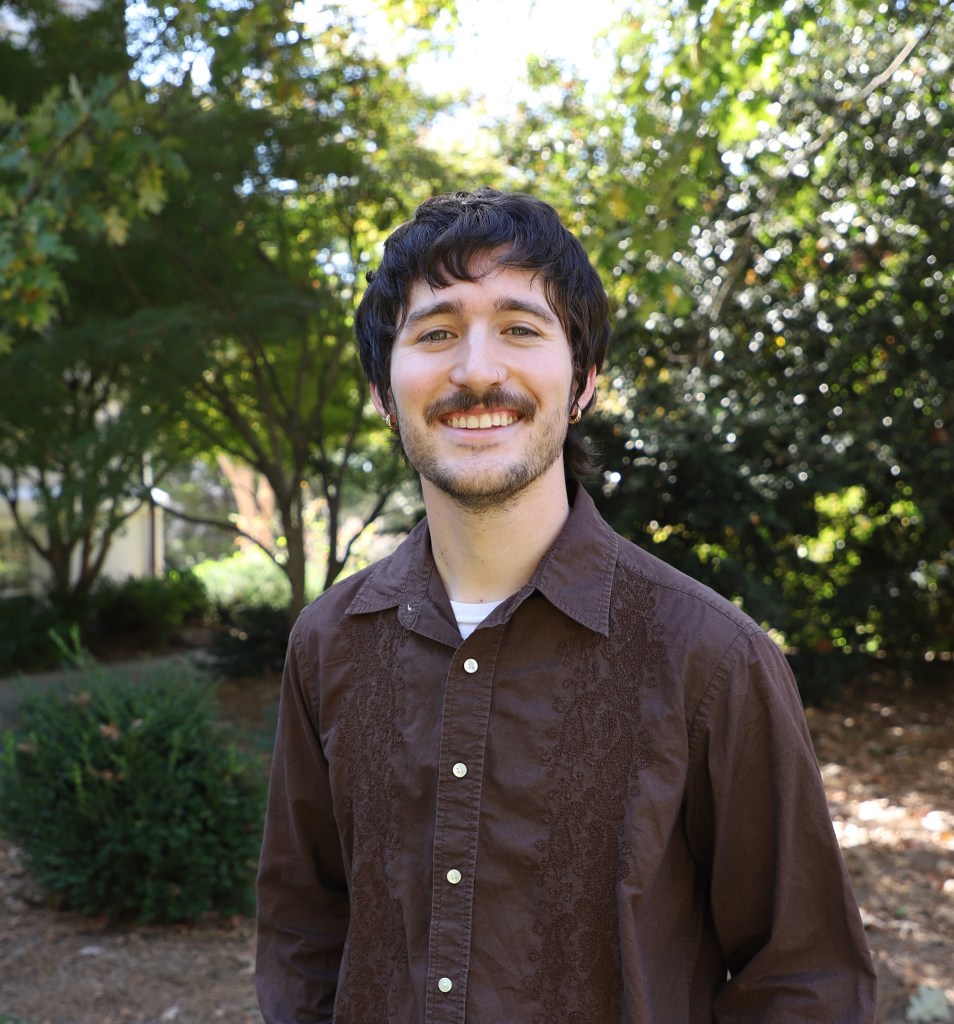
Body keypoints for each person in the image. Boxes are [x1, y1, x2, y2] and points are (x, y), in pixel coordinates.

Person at [255, 187, 877, 1023]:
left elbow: (808, 982)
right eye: (436, 332)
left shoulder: (710, 657)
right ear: (381, 389)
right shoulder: (328, 644)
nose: (477, 370)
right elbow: (305, 931)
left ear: (583, 381)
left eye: (520, 328)